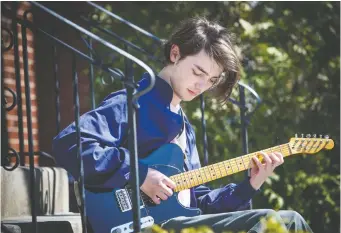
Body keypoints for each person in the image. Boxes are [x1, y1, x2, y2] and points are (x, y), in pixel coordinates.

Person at [52, 17, 313, 233]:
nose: (201, 86)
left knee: (292, 219)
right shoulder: (132, 103)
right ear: (175, 53)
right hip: (135, 226)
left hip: (175, 223)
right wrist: (140, 175)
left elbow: (198, 203)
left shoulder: (186, 129)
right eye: (198, 72)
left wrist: (250, 185)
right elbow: (69, 142)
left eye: (211, 80)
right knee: (270, 222)